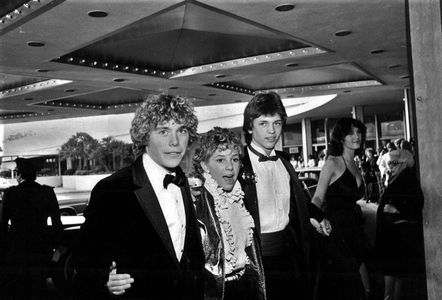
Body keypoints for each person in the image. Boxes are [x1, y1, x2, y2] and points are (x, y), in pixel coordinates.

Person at [71, 94, 205, 299]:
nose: (175, 142)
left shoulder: (182, 181)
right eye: (163, 131)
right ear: (145, 137)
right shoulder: (113, 189)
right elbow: (81, 261)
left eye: (182, 130)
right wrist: (104, 280)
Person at [239, 92, 322, 300]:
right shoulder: (238, 163)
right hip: (255, 259)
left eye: (277, 123)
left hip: (289, 254)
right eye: (263, 124)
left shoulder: (285, 162)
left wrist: (318, 216)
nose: (272, 131)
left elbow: (298, 201)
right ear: (250, 127)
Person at [192, 127, 265, 300]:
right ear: (204, 165)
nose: (230, 168)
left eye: (234, 159)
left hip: (246, 287)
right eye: (220, 160)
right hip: (216, 292)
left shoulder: (239, 197)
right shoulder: (196, 202)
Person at [311, 117, 371, 300]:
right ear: (341, 137)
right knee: (348, 284)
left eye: (359, 132)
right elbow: (318, 197)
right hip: (337, 230)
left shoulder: (355, 163)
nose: (356, 136)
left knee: (361, 278)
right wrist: (314, 220)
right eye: (350, 132)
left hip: (354, 227)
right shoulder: (333, 163)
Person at [0, 158, 64, 298]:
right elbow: (56, 223)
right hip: (41, 248)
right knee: (38, 287)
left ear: (19, 175)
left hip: (18, 248)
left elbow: (3, 224)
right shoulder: (47, 192)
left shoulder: (10, 194)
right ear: (35, 175)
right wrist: (57, 247)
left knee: (18, 287)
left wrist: (5, 249)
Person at [375, 150, 425, 300]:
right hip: (393, 235)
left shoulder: (407, 180)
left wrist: (397, 210)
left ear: (404, 163)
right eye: (390, 163)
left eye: (394, 163)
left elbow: (417, 204)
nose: (391, 166)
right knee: (395, 275)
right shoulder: (397, 177)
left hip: (397, 236)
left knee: (392, 274)